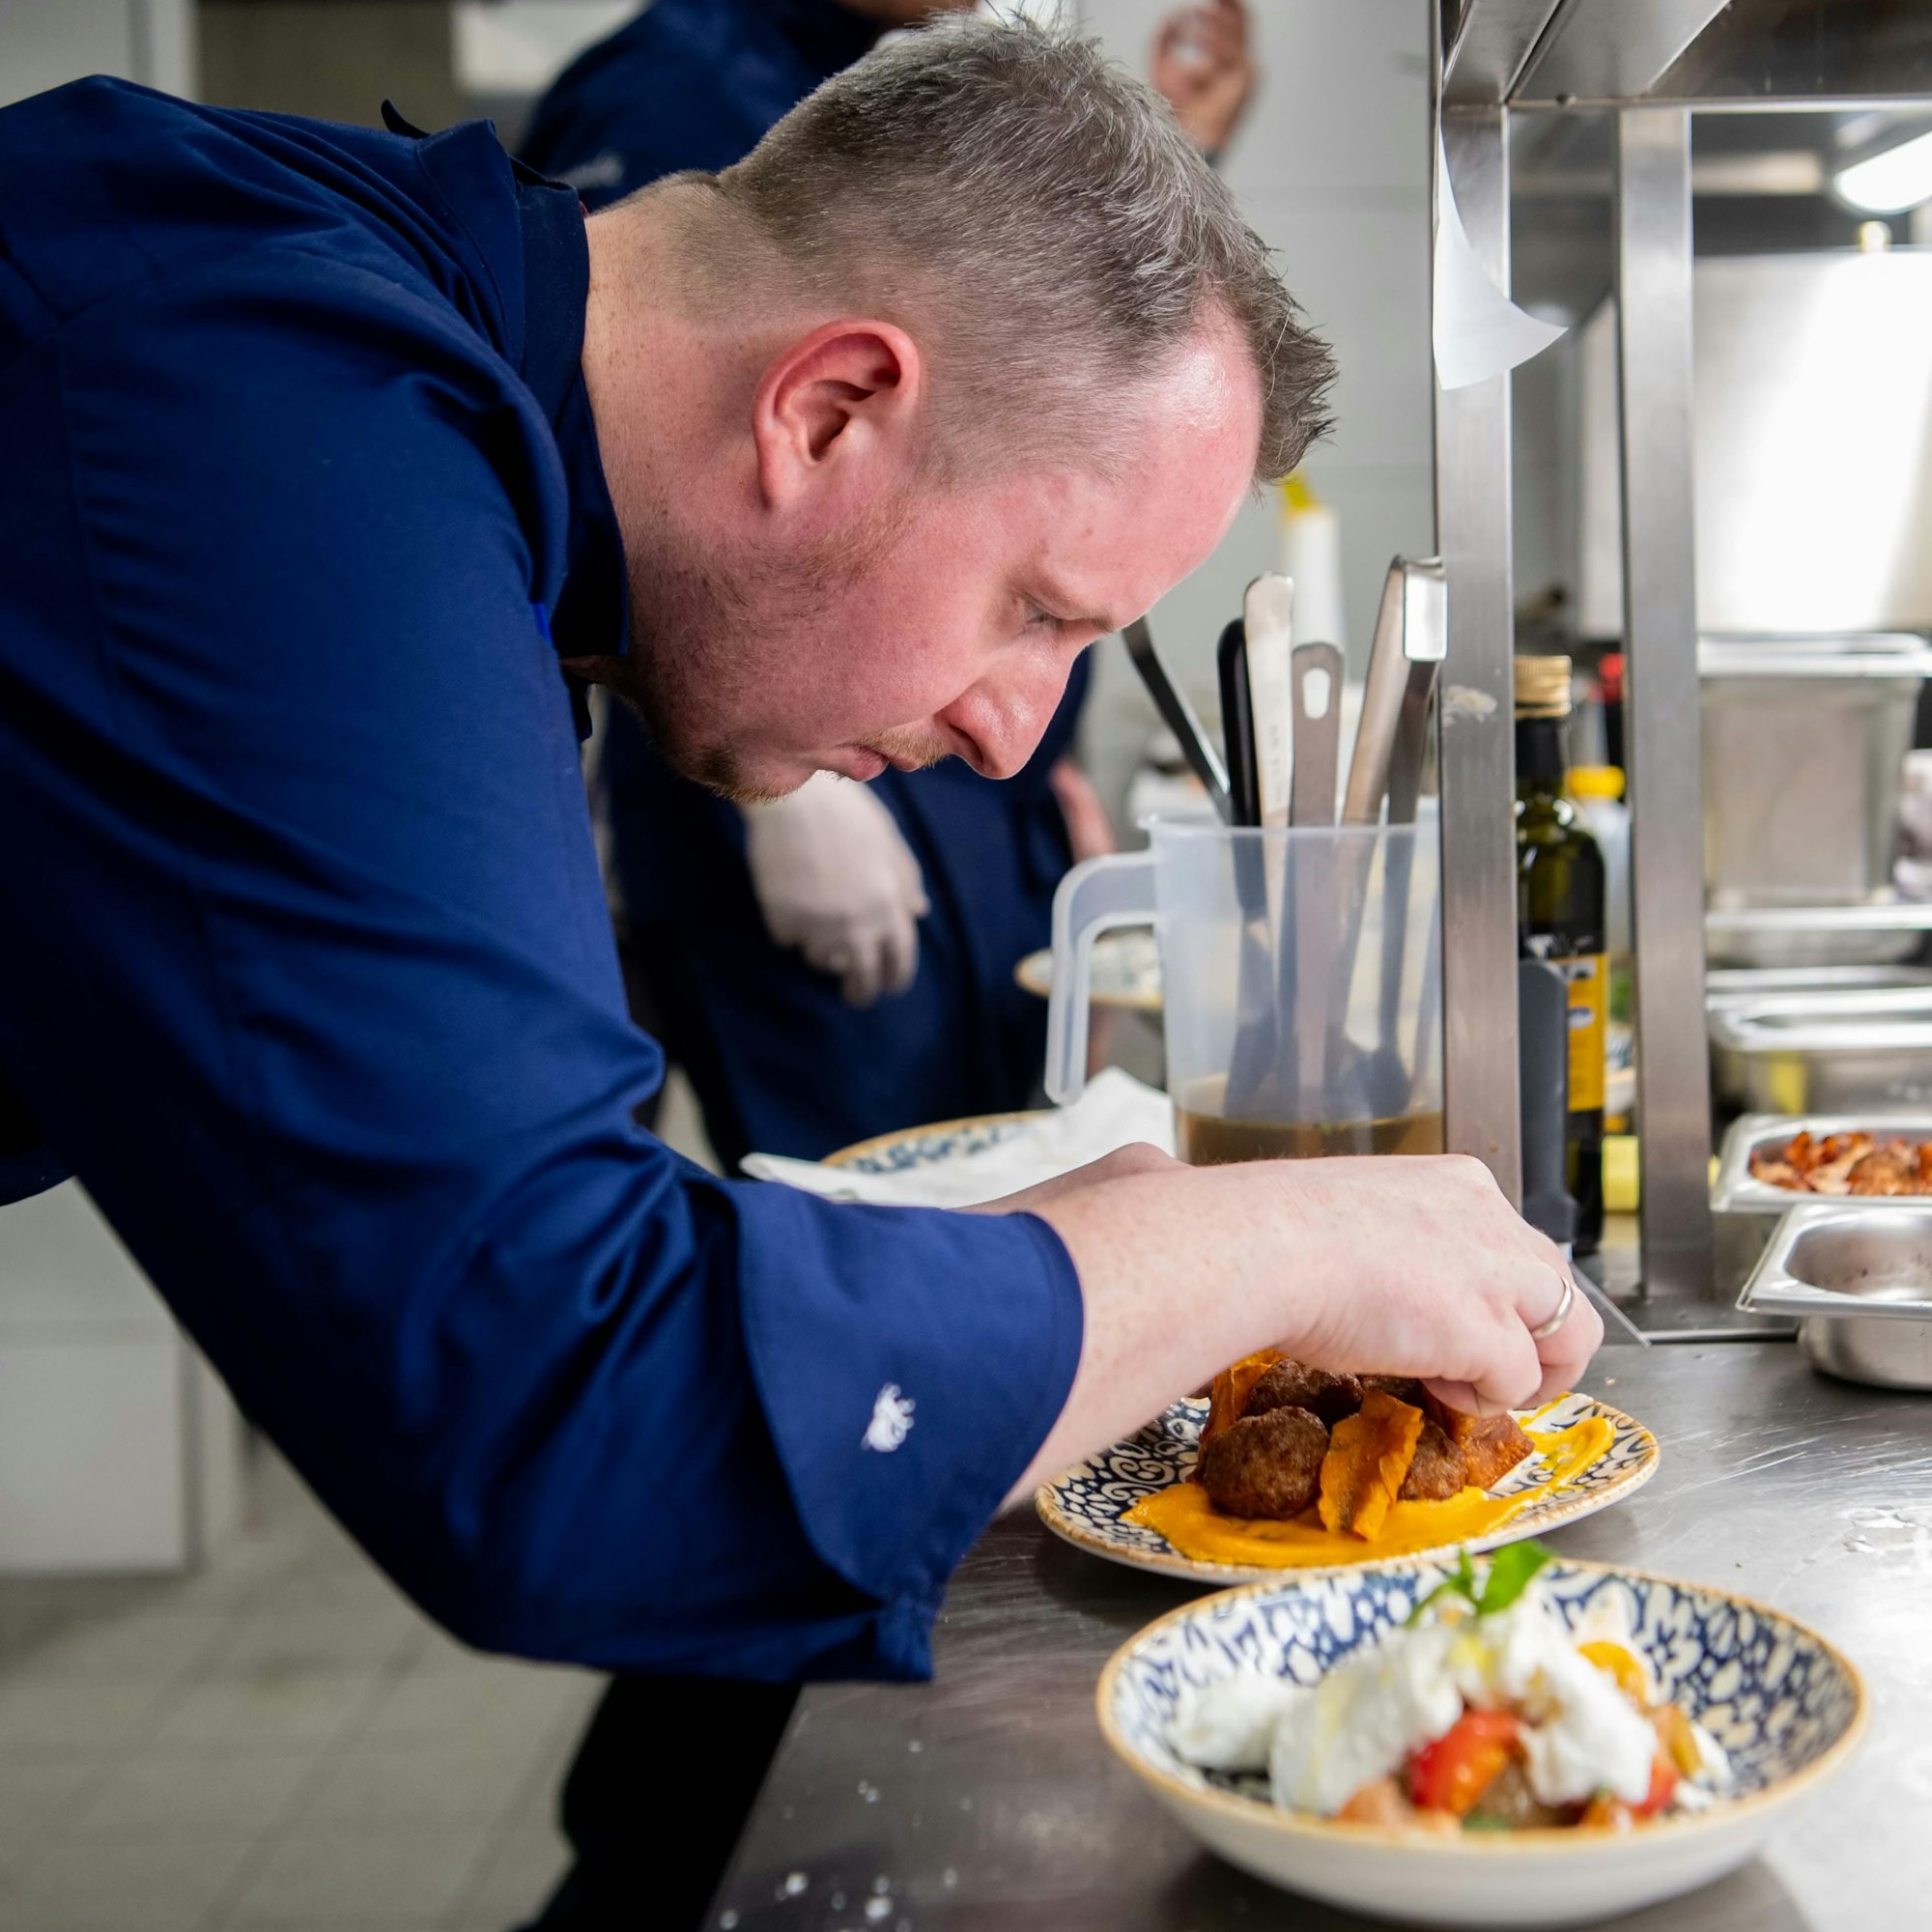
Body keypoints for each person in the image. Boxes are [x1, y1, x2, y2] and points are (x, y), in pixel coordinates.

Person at [0, 18, 1600, 1930]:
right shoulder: (262, 401)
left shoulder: (403, 399)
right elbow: (549, 1406)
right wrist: (1248, 1245)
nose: (1022, 739)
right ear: (828, 407)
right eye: (1039, 612)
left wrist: (1115, 1241)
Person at [520, 0, 1258, 1169]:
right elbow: (648, 485)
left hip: (972, 823)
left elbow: (1033, 397)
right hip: (801, 798)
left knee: (980, 1177)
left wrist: (1042, 770)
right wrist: (787, 806)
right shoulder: (673, 88)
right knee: (859, 1209)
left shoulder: (902, 87)